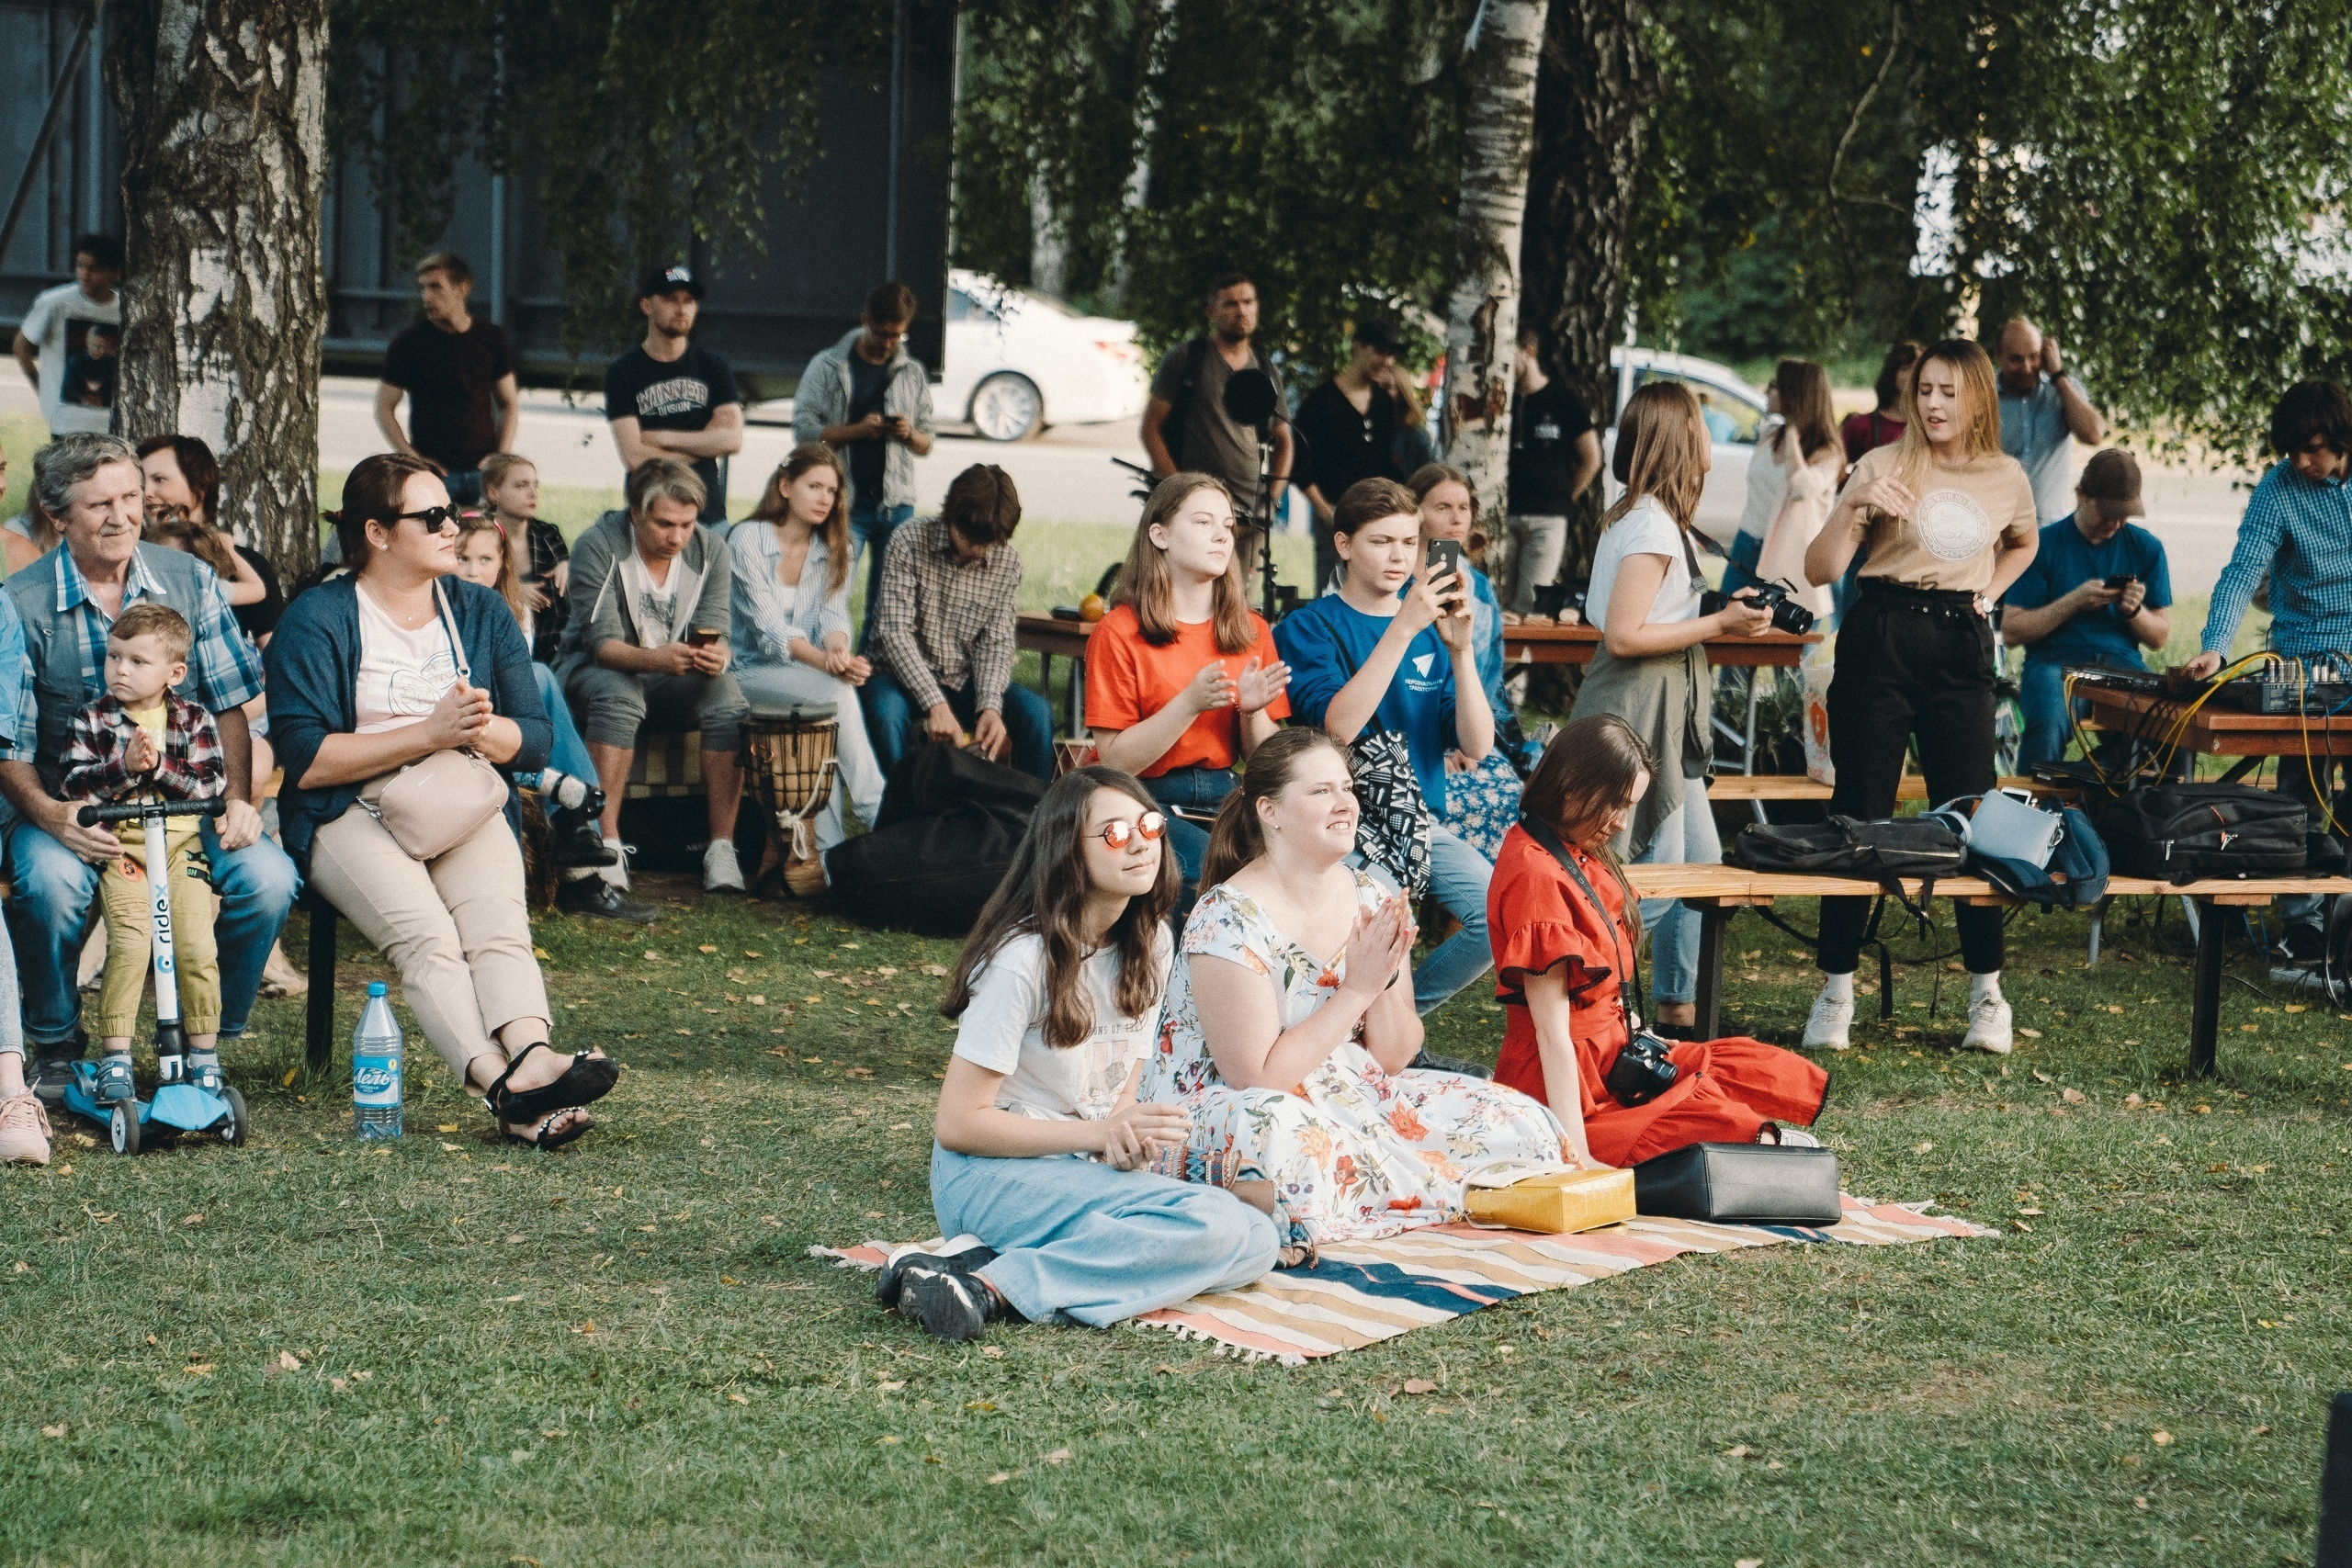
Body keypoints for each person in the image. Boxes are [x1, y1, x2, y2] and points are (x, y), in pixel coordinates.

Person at [270, 453, 615, 1149]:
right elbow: (305, 759)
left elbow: (537, 741)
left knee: (498, 926)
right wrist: (424, 731)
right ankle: (504, 1088)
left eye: (452, 513)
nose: (451, 527)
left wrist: (476, 728)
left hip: (456, 790)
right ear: (377, 532)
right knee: (428, 938)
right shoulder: (321, 615)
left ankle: (533, 1056)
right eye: (430, 517)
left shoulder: (479, 608)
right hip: (347, 806)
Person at [886, 766, 1279, 1341]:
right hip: (987, 1177)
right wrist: (1095, 1138)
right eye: (1114, 834)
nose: (1141, 841)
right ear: (1068, 850)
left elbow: (1117, 1097)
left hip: (1070, 1173)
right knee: (1213, 1222)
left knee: (1259, 1238)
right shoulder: (1022, 960)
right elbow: (958, 1124)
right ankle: (993, 1288)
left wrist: (1122, 1143)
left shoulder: (1152, 943)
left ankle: (966, 1264)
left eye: (1148, 823)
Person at [1139, 728, 1564, 1254]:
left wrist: (1380, 980)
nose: (1344, 804)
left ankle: (1362, 1197)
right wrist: (1357, 989)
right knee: (1287, 1139)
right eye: (1321, 792)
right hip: (1235, 1107)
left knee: (1516, 1121)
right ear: (1269, 811)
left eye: (1347, 788)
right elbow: (1256, 1077)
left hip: (1350, 1092)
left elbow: (1392, 1055)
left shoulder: (1370, 892)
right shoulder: (1228, 915)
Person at [2, 435, 298, 1105]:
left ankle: (204, 1042)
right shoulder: (18, 602)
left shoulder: (189, 579)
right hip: (70, 804)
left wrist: (238, 799)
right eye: (99, 503)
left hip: (186, 808)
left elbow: (228, 703)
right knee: (47, 881)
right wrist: (54, 816)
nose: (122, 515)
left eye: (131, 497)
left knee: (270, 879)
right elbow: (10, 749)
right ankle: (55, 1045)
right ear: (57, 513)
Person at [1802, 339, 2038, 1054]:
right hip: (1881, 632)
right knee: (1859, 808)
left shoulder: (2006, 475)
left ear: (1977, 400)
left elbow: (2023, 543)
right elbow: (1820, 566)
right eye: (1925, 391)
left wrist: (1987, 596)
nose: (1934, 404)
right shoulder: (1881, 464)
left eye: (1948, 392)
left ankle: (1986, 993)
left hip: (1959, 643)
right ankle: (1835, 988)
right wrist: (1852, 504)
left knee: (1973, 812)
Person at [1487, 716, 1828, 1164]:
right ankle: (1745, 1141)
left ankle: (1743, 1136)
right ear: (1573, 785)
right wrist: (1577, 1156)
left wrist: (1633, 1032)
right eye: (1616, 805)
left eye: (1630, 807)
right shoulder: (1537, 874)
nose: (1622, 823)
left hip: (1613, 1054)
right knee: (1718, 1121)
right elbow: (1553, 1036)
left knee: (1750, 1066)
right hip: (1565, 1092)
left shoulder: (1577, 850)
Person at [1567, 382, 1770, 1034]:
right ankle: (1584, 976)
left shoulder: (1652, 515)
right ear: (1683, 439)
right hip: (1635, 701)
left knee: (1699, 863)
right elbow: (1625, 633)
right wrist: (1720, 626)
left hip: (1663, 697)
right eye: (1702, 425)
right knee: (1650, 878)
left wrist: (1718, 616)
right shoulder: (1652, 523)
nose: (1713, 437)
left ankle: (1676, 1005)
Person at [1272, 478, 1498, 1016]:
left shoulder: (1430, 632)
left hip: (1421, 819)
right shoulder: (1310, 627)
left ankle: (1395, 1018)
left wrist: (1462, 653)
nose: (1399, 557)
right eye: (1381, 542)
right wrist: (1401, 628)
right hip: (1345, 823)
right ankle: (1372, 1025)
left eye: (1408, 542)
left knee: (1494, 913)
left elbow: (1477, 744)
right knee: (1374, 924)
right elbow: (1338, 730)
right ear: (1345, 545)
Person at [2184, 380, 2352, 959]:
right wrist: (2216, 647)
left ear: (2340, 439)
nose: (2301, 461)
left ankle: (2345, 911)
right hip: (2305, 656)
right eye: (2292, 450)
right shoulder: (2277, 492)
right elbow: (2240, 572)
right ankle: (2301, 919)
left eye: (2313, 448)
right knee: (2301, 784)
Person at [1084, 474, 1290, 894]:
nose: (1221, 536)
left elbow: (1262, 761)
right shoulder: (1119, 630)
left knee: (1285, 874)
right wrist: (1190, 703)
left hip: (1226, 792)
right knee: (1215, 883)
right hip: (1138, 796)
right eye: (1203, 522)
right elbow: (1116, 761)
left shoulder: (1252, 630)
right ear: (1159, 535)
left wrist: (1251, 713)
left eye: (1228, 525)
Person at [556, 457, 748, 900]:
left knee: (727, 697)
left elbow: (717, 625)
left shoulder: (711, 549)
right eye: (664, 524)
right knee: (620, 692)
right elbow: (600, 644)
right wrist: (654, 659)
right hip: (592, 670)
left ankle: (721, 847)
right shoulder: (599, 545)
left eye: (686, 523)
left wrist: (717, 656)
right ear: (635, 512)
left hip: (670, 673)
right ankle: (606, 845)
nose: (677, 537)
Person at [58, 604, 226, 1101]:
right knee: (131, 947)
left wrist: (157, 770)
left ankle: (203, 1056)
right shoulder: (93, 719)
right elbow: (73, 783)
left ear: (174, 672)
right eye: (114, 657)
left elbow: (210, 782)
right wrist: (126, 768)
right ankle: (117, 1058)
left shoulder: (193, 719)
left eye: (136, 661)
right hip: (124, 850)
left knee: (196, 948)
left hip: (179, 849)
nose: (121, 670)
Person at [727, 444, 888, 889]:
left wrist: (838, 653)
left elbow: (835, 617)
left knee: (832, 702)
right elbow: (770, 633)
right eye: (813, 486)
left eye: (832, 491)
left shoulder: (838, 547)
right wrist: (829, 666)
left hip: (805, 674)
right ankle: (878, 812)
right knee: (835, 695)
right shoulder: (748, 540)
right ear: (785, 486)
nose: (824, 498)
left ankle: (832, 860)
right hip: (745, 672)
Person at [452, 512, 624, 875]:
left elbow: (517, 690)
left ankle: (581, 837)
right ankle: (582, 822)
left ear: (502, 565)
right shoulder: (438, 607)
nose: (472, 571)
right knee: (542, 677)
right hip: (465, 714)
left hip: (510, 719)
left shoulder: (512, 611)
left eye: (485, 560)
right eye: (462, 558)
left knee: (541, 681)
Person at [864, 464, 1054, 783]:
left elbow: (996, 644)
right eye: (970, 538)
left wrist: (990, 706)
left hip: (962, 680)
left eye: (989, 542)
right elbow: (894, 633)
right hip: (895, 675)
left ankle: (1030, 821)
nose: (978, 549)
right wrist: (934, 703)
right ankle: (900, 817)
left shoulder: (1008, 563)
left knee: (1037, 713)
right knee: (886, 715)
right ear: (951, 515)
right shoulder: (908, 540)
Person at [2001, 449, 2173, 769]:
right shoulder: (2044, 545)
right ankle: (2035, 805)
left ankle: (2098, 787)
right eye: (2107, 513)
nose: (2115, 524)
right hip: (2055, 663)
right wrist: (2073, 602)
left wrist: (2135, 612)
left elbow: (2160, 636)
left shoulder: (2146, 547)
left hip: (2122, 665)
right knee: (2049, 723)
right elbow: (2012, 630)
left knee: (2167, 724)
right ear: (2081, 495)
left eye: (2124, 515)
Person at [793, 283, 937, 640]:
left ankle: (870, 675)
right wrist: (855, 431)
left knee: (887, 606)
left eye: (896, 336)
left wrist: (907, 433)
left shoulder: (912, 372)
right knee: (831, 595)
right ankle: (821, 664)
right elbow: (804, 430)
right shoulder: (829, 365)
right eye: (880, 333)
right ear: (864, 320)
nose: (887, 343)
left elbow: (926, 441)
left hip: (896, 503)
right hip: (846, 503)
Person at [1140, 274, 1294, 583]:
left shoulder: (1265, 368)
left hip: (1248, 516)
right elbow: (1151, 428)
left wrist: (1272, 499)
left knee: (1239, 607)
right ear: (1212, 312)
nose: (1241, 311)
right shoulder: (1187, 359)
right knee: (1182, 596)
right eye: (1231, 304)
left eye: (1248, 302)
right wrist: (1178, 489)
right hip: (1193, 512)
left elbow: (1284, 440)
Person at [1408, 462, 1526, 858]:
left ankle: (1485, 903)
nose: (1457, 517)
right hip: (1415, 736)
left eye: (1464, 506)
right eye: (1442, 507)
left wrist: (1467, 733)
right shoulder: (1398, 581)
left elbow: (1491, 670)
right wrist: (1444, 746)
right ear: (1416, 512)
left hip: (1471, 727)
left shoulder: (1477, 584)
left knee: (1513, 789)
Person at [374, 253, 517, 506]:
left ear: (462, 288)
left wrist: (499, 458)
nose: (426, 297)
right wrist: (411, 458)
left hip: (482, 472)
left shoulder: (491, 338)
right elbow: (384, 408)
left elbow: (509, 403)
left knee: (484, 544)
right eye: (423, 288)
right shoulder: (408, 343)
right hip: (434, 474)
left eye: (435, 287)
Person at [605, 265, 742, 525]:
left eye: (688, 301)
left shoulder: (713, 367)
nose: (681, 308)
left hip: (707, 513)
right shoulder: (623, 372)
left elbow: (732, 440)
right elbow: (635, 457)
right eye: (670, 299)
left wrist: (661, 437)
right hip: (650, 516)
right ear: (646, 305)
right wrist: (704, 444)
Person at [1723, 358, 1840, 624]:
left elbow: (1801, 486)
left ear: (1795, 395)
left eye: (1775, 386)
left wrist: (1793, 432)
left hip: (1789, 563)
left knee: (1787, 657)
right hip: (1745, 547)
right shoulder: (1768, 434)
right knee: (1731, 645)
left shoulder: (1828, 453)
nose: (1767, 391)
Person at [136, 435, 284, 645]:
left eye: (159, 479)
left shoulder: (246, 566)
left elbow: (271, 655)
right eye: (141, 483)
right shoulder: (132, 558)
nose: (145, 493)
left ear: (200, 486)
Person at [1500, 324, 1600, 621]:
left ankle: (1519, 668)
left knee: (1531, 607)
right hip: (1504, 515)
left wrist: (1564, 498)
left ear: (1528, 351)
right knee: (1498, 602)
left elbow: (1591, 457)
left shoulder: (1563, 399)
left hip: (1547, 519)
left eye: (1508, 355)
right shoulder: (1501, 399)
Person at [1295, 320, 1403, 592]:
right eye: (1381, 351)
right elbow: (1300, 464)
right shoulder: (1320, 402)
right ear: (1358, 348)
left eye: (1392, 353)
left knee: (1377, 591)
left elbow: (1386, 461)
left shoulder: (1382, 402)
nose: (1387, 360)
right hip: (1333, 516)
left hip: (1377, 517)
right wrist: (1324, 510)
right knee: (1332, 590)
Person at [1996, 317, 2107, 526]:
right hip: (1999, 532)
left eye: (2034, 357)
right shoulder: (1982, 395)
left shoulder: (2063, 390)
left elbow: (2093, 433)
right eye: (2016, 359)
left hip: (2051, 531)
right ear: (1999, 355)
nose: (2027, 367)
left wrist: (2057, 375)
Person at [12, 234, 123, 437]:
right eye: (80, 266)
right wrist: (43, 390)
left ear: (114, 273)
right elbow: (21, 346)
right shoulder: (54, 303)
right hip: (66, 423)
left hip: (109, 425)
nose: (84, 274)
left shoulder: (125, 309)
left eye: (94, 269)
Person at [478, 453, 571, 663]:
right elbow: (468, 585)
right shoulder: (479, 534)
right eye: (521, 486)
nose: (533, 493)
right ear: (494, 493)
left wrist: (567, 564)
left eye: (535, 485)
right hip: (499, 644)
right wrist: (512, 591)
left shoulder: (547, 533)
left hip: (553, 642)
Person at [1841, 343, 1921, 466]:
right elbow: (1837, 472)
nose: (1914, 375)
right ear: (1891, 374)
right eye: (1906, 368)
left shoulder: (1932, 427)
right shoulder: (1861, 426)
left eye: (1918, 369)